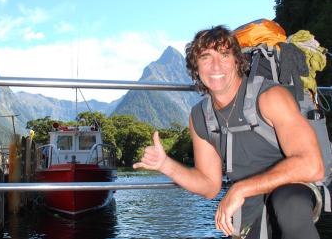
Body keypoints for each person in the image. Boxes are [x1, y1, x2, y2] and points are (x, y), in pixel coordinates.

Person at [133, 25, 325, 239]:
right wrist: (165, 165)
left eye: (224, 55)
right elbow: (210, 186)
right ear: (196, 67)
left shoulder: (270, 97)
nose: (216, 65)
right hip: (249, 209)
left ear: (237, 61)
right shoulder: (201, 116)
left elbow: (312, 165)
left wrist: (240, 189)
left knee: (289, 204)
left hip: (294, 190)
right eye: (206, 57)